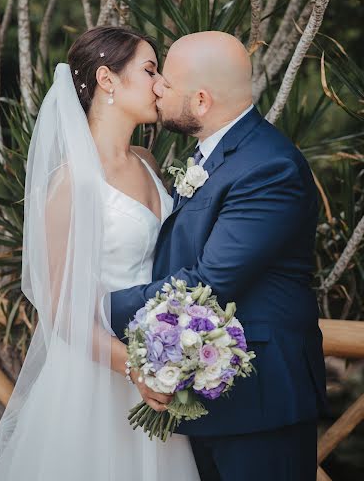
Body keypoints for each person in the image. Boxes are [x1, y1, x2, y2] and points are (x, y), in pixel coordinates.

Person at [109, 31, 328, 481]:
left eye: (166, 84)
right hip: (209, 397)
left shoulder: (269, 167)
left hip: (262, 403)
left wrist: (93, 306)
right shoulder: (213, 155)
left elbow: (210, 282)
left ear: (202, 100)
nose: (157, 90)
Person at [0, 26, 199, 480]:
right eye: (148, 70)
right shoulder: (71, 184)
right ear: (107, 80)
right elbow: (62, 310)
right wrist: (138, 368)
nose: (160, 83)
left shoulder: (147, 160)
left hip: (159, 360)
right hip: (97, 378)